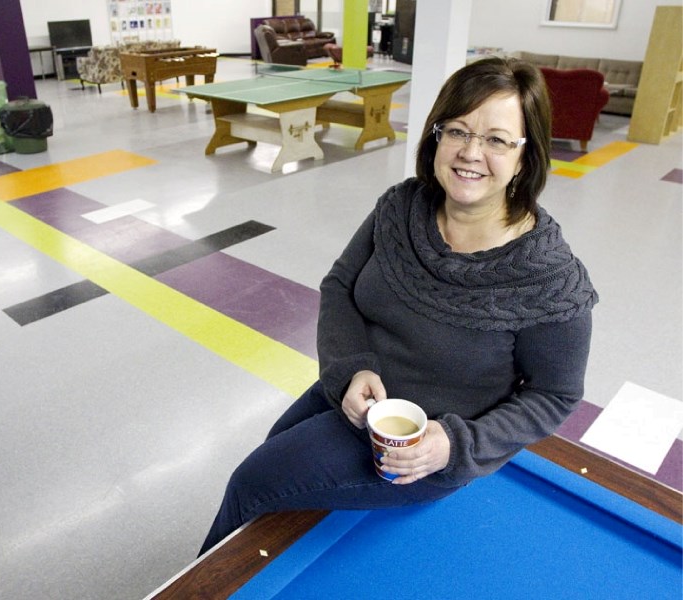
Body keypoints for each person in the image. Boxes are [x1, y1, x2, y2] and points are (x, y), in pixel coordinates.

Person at [199, 57, 598, 555]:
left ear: (526, 156)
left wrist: (454, 445)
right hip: (352, 398)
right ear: (436, 135)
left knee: (252, 483)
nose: (471, 152)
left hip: (421, 447)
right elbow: (341, 284)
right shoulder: (402, 207)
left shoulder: (548, 277)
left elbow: (555, 395)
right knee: (273, 467)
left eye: (497, 139)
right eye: (457, 130)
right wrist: (350, 369)